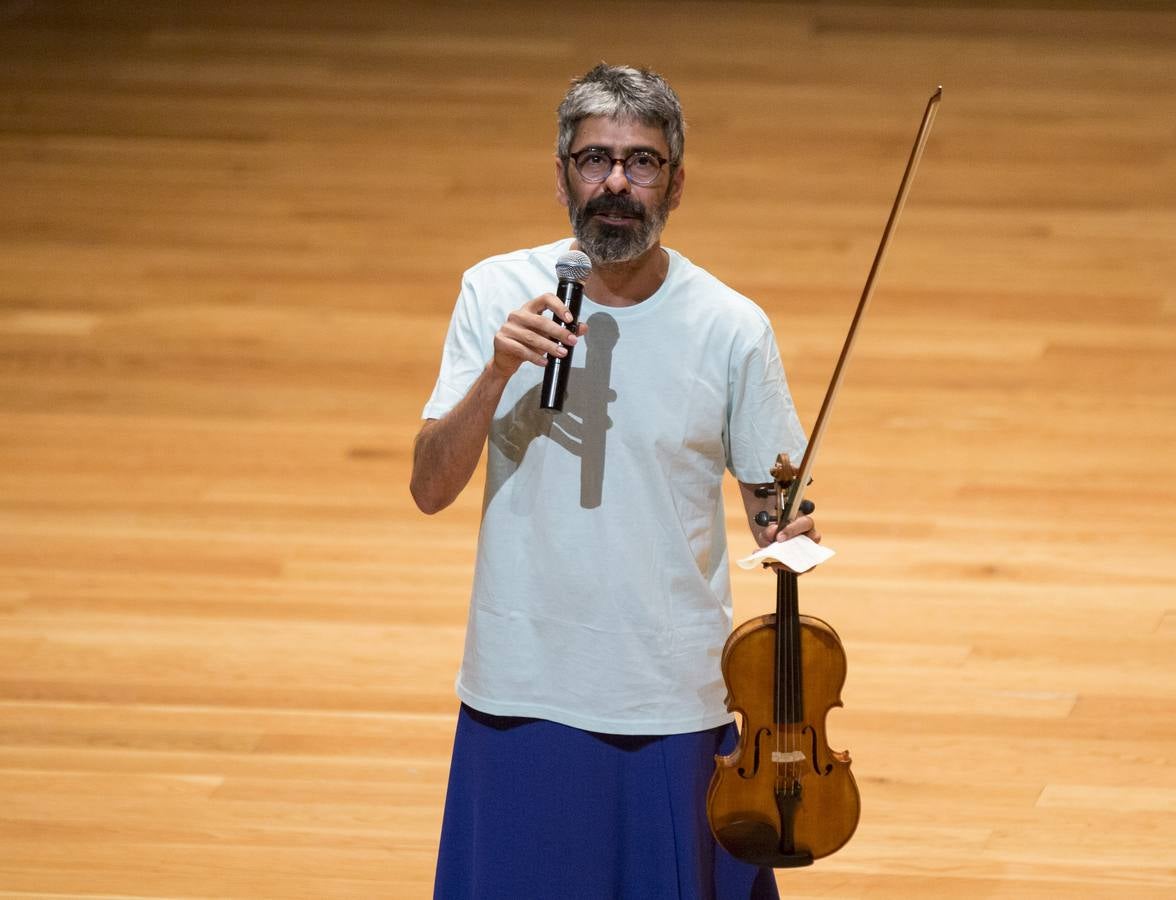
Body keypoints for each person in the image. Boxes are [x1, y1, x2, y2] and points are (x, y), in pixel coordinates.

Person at [411, 63, 820, 900]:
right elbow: (429, 486)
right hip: (522, 679)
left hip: (670, 694)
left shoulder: (731, 327)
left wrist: (789, 537)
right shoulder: (496, 292)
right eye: (595, 159)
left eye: (642, 162)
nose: (617, 184)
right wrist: (494, 373)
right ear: (561, 170)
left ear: (676, 181)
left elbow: (772, 509)